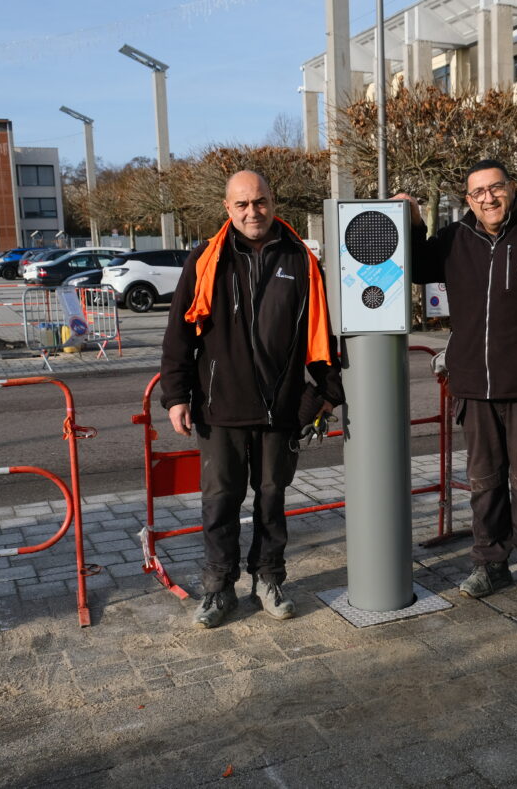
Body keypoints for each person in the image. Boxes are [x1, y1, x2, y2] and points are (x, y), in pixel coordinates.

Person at [399, 159, 517, 605]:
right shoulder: (452, 240)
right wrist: (410, 223)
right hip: (473, 388)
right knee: (485, 483)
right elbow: (412, 267)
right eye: (477, 192)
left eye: (496, 188)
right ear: (467, 200)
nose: (488, 198)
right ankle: (490, 566)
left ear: (512, 188)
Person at [159, 170, 344, 629]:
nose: (252, 212)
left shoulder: (301, 259)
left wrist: (328, 392)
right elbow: (178, 334)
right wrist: (175, 395)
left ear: (273, 201)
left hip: (280, 405)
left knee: (271, 497)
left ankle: (268, 578)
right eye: (241, 205)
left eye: (259, 202)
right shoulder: (207, 259)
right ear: (228, 208)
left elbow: (319, 333)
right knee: (220, 500)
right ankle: (219, 590)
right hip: (218, 405)